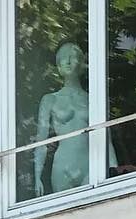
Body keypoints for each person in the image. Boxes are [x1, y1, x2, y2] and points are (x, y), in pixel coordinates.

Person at [32, 43, 115, 196]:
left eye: (72, 57)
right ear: (58, 67)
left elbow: (106, 138)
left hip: (89, 164)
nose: (68, 61)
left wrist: (114, 170)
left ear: (81, 64)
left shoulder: (92, 100)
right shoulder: (50, 99)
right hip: (63, 165)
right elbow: (41, 140)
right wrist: (37, 176)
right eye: (63, 58)